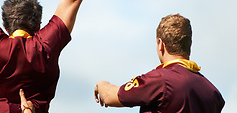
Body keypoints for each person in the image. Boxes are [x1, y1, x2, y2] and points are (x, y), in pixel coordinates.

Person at [94, 14, 225, 113]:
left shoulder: (158, 80)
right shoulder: (213, 93)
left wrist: (102, 85)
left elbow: (109, 96)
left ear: (160, 44)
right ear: (189, 44)